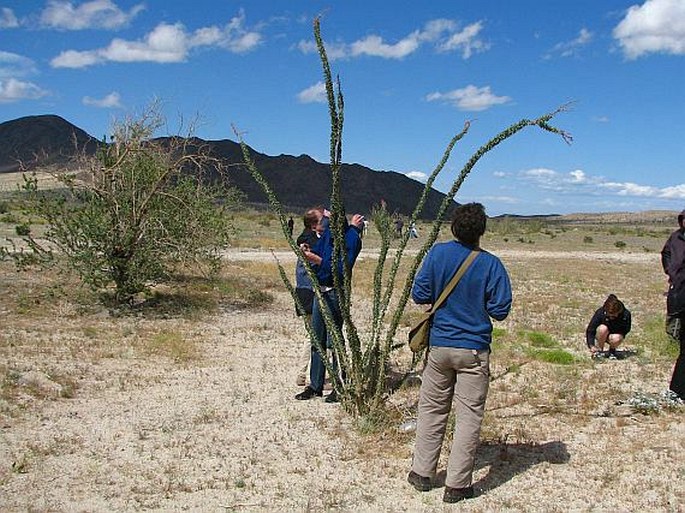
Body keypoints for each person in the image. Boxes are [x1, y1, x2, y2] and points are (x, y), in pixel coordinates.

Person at [407, 203, 512, 504]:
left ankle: (422, 473)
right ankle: (457, 486)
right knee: (468, 417)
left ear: (453, 228)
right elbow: (500, 310)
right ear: (482, 231)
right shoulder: (492, 264)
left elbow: (420, 295)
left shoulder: (437, 254)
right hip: (474, 350)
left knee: (432, 409)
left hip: (439, 347)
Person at [295, 208, 364, 403]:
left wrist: (317, 260)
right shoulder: (327, 236)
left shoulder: (351, 238)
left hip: (336, 293)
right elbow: (318, 253)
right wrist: (308, 252)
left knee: (334, 342)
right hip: (320, 290)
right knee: (317, 339)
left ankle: (339, 385)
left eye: (327, 220)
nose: (323, 225)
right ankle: (315, 386)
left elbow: (342, 269)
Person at [293, 207, 325, 386]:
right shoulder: (309, 241)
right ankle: (305, 374)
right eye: (321, 221)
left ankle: (305, 374)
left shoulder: (307, 239)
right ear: (314, 225)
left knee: (313, 334)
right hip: (310, 292)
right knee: (314, 334)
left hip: (304, 291)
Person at [661, 208, 685, 399]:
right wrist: (671, 272)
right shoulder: (676, 238)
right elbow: (665, 253)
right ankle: (678, 391)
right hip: (679, 295)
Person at [585, 294, 631, 360]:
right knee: (602, 328)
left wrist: (614, 334)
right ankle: (599, 351)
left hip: (616, 335)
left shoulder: (625, 315)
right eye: (609, 315)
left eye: (613, 316)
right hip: (602, 334)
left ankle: (612, 351)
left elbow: (626, 330)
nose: (611, 317)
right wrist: (591, 345)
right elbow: (590, 330)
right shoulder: (600, 312)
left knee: (616, 338)